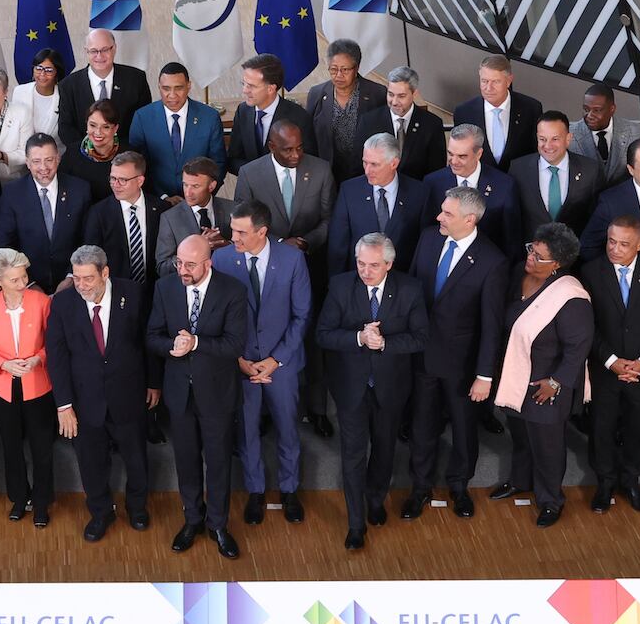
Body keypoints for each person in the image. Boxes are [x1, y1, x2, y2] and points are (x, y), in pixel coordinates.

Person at [316, 233, 427, 548]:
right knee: (352, 454)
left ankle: (376, 500)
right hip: (351, 387)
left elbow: (421, 337)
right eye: (361, 263)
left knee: (384, 449)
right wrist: (358, 339)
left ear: (389, 264)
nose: (365, 271)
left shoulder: (410, 289)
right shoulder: (340, 286)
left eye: (374, 265)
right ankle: (355, 524)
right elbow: (323, 334)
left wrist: (386, 343)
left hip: (391, 387)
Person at [405, 186, 507, 520]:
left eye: (447, 213)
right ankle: (420, 487)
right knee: (422, 425)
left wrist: (484, 376)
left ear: (470, 218)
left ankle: (459, 486)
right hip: (422, 356)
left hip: (462, 366)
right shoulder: (428, 238)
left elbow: (492, 326)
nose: (439, 217)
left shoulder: (492, 261)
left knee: (464, 429)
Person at [46, 244, 158, 542]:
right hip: (85, 401)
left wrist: (153, 383)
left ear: (105, 273)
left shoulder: (132, 294)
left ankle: (137, 508)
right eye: (77, 278)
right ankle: (100, 513)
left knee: (136, 457)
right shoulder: (63, 303)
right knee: (92, 463)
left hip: (129, 395)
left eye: (88, 279)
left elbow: (148, 342)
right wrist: (64, 405)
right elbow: (56, 358)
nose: (81, 285)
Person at [147, 235, 249, 559]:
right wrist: (170, 347)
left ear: (208, 262)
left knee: (218, 462)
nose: (182, 270)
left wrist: (197, 343)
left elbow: (235, 345)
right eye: (179, 262)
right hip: (180, 394)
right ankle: (192, 519)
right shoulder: (165, 288)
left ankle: (218, 524)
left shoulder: (232, 291)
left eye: (190, 264)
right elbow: (152, 336)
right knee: (186, 462)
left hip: (217, 393)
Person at [214, 200, 312, 524]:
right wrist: (239, 359)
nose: (234, 237)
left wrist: (275, 360)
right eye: (233, 230)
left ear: (262, 231)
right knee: (247, 433)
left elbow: (301, 316)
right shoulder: (223, 258)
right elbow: (219, 317)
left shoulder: (292, 259)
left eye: (241, 232)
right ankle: (255, 491)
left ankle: (289, 490)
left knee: (287, 429)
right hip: (241, 365)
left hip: (280, 366)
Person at [492, 223, 592, 527]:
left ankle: (551, 500)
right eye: (531, 250)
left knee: (547, 446)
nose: (531, 258)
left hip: (545, 386)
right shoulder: (518, 275)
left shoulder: (571, 296)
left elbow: (578, 347)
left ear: (557, 265)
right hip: (517, 375)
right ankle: (520, 480)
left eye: (539, 256)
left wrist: (556, 382)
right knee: (521, 436)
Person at [578, 215, 640, 514]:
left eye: (624, 244)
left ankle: (631, 481)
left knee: (637, 427)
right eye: (611, 241)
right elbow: (586, 324)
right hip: (605, 369)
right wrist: (611, 361)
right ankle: (604, 482)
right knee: (602, 428)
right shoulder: (591, 271)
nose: (615, 249)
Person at [0, 248, 57, 526]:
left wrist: (37, 359)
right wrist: (4, 365)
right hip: (2, 388)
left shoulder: (41, 301)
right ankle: (19, 499)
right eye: (15, 280)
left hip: (38, 386)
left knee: (41, 447)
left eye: (24, 277)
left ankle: (42, 503)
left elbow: (53, 344)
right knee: (11, 447)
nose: (23, 284)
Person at [0, 134, 92, 288]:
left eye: (49, 160)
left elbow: (87, 240)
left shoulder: (80, 190)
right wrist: (28, 283)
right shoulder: (12, 194)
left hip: (74, 283)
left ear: (58, 158)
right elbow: (6, 245)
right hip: (27, 285)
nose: (43, 168)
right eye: (36, 161)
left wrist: (71, 277)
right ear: (27, 162)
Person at [234, 121, 335, 258]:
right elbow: (243, 221)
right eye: (288, 150)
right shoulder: (249, 174)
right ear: (272, 147)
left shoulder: (321, 170)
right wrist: (279, 243)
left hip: (311, 256)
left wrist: (306, 242)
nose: (296, 155)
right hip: (266, 255)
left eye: (299, 148)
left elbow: (329, 218)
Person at [327, 134, 424, 273]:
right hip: (359, 281)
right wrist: (338, 286)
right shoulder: (349, 191)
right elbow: (338, 245)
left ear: (394, 163)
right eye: (365, 162)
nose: (367, 171)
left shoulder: (419, 193)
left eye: (374, 164)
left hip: (402, 284)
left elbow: (422, 247)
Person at [128, 62, 226, 198]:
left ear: (188, 86)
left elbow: (218, 163)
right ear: (159, 87)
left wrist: (200, 194)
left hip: (200, 200)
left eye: (178, 88)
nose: (172, 95)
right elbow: (136, 164)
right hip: (157, 200)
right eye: (166, 88)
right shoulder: (142, 117)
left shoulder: (209, 117)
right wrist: (162, 196)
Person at [422, 124, 516, 256]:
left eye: (462, 156)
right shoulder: (433, 182)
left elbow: (511, 238)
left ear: (479, 154)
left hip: (487, 264)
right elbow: (428, 231)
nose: (453, 161)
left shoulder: (504, 184)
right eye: (450, 154)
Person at [511, 110, 604, 238]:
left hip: (575, 253)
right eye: (542, 139)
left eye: (555, 139)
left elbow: (596, 218)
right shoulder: (518, 169)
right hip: (532, 253)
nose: (548, 146)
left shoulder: (590, 170)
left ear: (568, 139)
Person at [305, 39, 388, 180]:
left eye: (345, 69)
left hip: (365, 171)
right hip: (327, 173)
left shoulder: (377, 93)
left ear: (356, 68)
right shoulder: (316, 94)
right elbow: (309, 136)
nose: (338, 75)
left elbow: (385, 135)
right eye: (333, 69)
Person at [81, 150, 163, 289]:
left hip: (155, 290)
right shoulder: (98, 213)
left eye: (123, 180)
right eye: (113, 178)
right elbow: (92, 258)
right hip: (116, 291)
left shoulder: (161, 209)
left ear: (140, 181)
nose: (115, 184)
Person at [60, 29, 151, 144]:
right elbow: (66, 128)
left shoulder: (136, 79)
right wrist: (90, 151)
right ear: (86, 51)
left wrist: (121, 152)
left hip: (126, 154)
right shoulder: (68, 85)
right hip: (84, 156)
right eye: (93, 51)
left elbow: (143, 122)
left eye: (105, 49)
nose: (99, 56)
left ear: (114, 48)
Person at [357, 65, 445, 180]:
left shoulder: (432, 125)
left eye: (401, 96)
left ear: (414, 94)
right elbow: (358, 167)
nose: (394, 102)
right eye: (391, 94)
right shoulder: (369, 121)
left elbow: (436, 172)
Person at [452, 55, 541, 168]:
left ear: (508, 81)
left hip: (519, 181)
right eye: (484, 81)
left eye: (496, 82)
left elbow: (535, 151)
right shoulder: (464, 112)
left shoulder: (531, 108)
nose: (489, 88)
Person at [229, 53, 316, 167]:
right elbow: (234, 158)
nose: (245, 90)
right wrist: (251, 176)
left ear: (271, 89)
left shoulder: (298, 117)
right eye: (244, 84)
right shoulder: (243, 111)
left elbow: (309, 161)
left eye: (251, 86)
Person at [156, 156, 233, 274]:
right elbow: (162, 268)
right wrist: (195, 248)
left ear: (211, 186)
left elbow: (249, 251)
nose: (187, 193)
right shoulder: (170, 218)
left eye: (195, 186)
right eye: (185, 185)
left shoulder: (232, 209)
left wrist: (227, 245)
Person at [570, 84, 640, 183]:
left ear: (612, 109)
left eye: (597, 110)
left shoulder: (634, 131)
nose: (590, 115)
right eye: (586, 109)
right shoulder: (570, 134)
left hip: (620, 195)